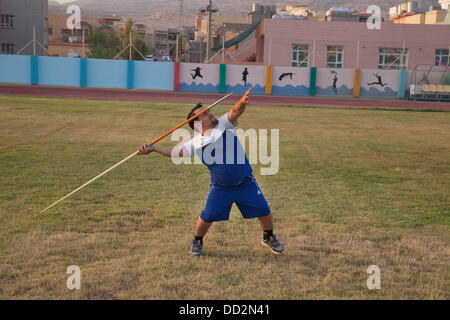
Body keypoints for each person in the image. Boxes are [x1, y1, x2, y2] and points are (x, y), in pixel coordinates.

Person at [137, 88, 284, 257]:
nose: (210, 114)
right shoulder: (196, 143)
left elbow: (235, 111)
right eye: (204, 114)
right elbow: (175, 153)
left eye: (208, 111)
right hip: (221, 188)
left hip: (246, 182)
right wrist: (154, 148)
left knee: (264, 210)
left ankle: (268, 237)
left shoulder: (223, 124)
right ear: (197, 124)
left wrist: (242, 103)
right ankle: (197, 241)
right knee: (208, 216)